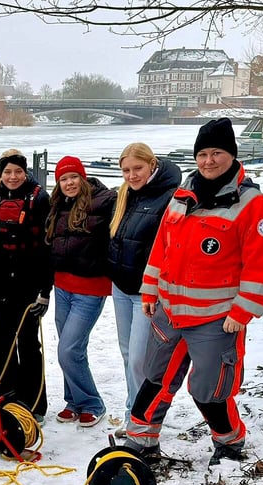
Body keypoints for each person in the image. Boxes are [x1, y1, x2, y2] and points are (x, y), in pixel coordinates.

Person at [125, 118, 263, 465]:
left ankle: (229, 442)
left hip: (216, 319)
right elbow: (161, 249)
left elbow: (261, 265)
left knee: (209, 390)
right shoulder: (182, 196)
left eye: (217, 153)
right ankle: (140, 440)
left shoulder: (252, 204)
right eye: (203, 154)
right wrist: (150, 291)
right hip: (171, 311)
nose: (209, 161)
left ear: (232, 155)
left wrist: (242, 313)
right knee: (155, 378)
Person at [106, 143, 182, 434]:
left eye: (137, 169)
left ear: (152, 165)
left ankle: (142, 420)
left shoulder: (169, 196)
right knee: (128, 354)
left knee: (140, 358)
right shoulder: (126, 195)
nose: (131, 175)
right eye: (126, 170)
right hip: (121, 288)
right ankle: (132, 412)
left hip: (147, 293)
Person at [0, 149, 52, 421]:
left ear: (25, 173)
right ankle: (6, 396)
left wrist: (45, 291)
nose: (12, 177)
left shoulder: (39, 199)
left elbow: (46, 247)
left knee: (28, 343)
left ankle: (35, 402)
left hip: (28, 283)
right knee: (3, 342)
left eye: (18, 172)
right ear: (0, 174)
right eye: (7, 172)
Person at [46, 156, 116, 427]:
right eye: (63, 179)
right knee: (72, 349)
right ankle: (73, 401)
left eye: (73, 177)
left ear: (83, 177)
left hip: (90, 288)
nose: (69, 183)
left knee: (68, 349)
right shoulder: (58, 204)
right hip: (62, 287)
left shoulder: (105, 201)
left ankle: (92, 402)